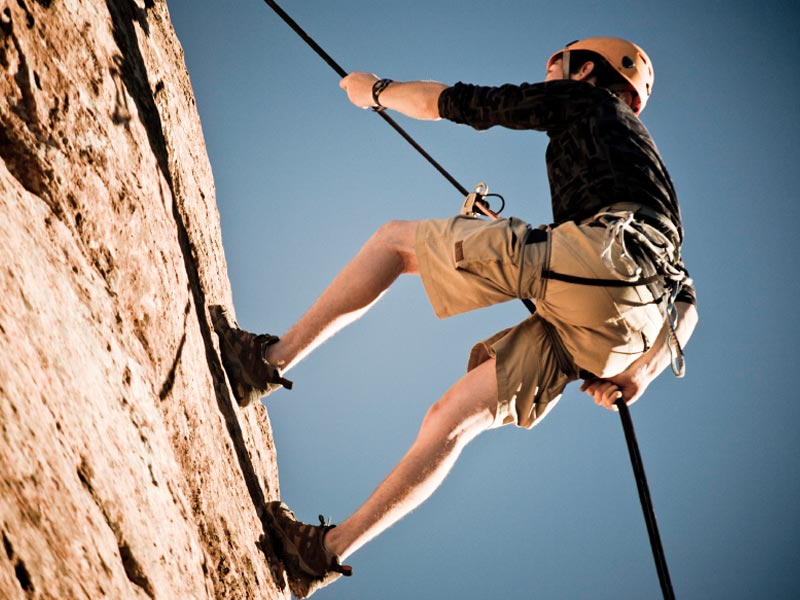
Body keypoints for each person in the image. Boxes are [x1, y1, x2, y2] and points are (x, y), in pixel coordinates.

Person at [210, 37, 698, 598]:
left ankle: (262, 363)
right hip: (631, 320)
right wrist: (638, 374)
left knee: (395, 244)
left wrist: (375, 91)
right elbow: (687, 305)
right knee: (453, 417)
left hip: (599, 263)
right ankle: (319, 554)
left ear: (586, 70)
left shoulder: (585, 101)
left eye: (558, 64)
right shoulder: (650, 175)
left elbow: (464, 103)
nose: (548, 70)